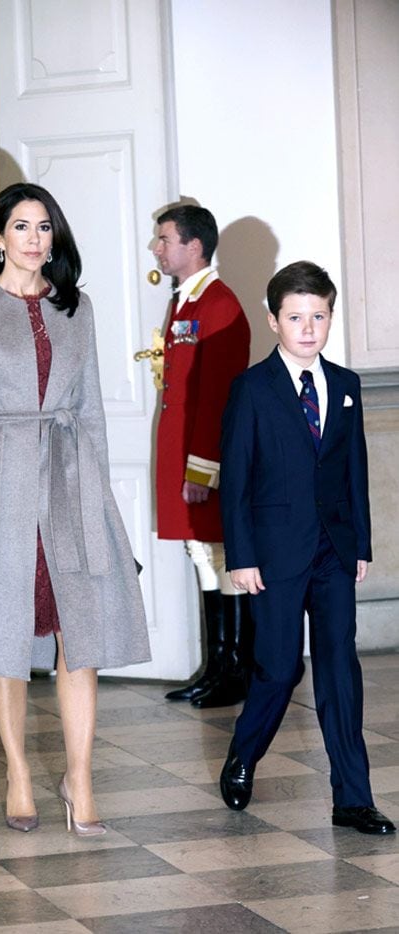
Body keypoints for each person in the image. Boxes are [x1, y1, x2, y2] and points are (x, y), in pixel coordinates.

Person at [0, 182, 151, 834]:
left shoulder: (75, 309)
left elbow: (89, 412)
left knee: (77, 636)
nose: (35, 238)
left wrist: (101, 499)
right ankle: (21, 774)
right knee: (5, 635)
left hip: (69, 479)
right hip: (0, 482)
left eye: (44, 227)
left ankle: (79, 780)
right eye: (21, 227)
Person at [218, 261, 395, 836]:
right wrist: (241, 557)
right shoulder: (251, 389)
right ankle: (245, 753)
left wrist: (360, 542)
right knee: (278, 667)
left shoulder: (345, 385)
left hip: (333, 550)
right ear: (274, 321)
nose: (309, 327)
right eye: (296, 317)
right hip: (271, 554)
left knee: (340, 667)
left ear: (330, 317)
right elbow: (238, 480)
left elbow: (354, 469)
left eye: (319, 315)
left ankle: (353, 796)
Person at [153, 205, 252, 709]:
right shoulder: (186, 301)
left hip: (204, 454)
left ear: (194, 245)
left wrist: (201, 468)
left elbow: (215, 395)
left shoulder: (219, 304)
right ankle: (217, 666)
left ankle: (236, 668)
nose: (156, 248)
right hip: (182, 447)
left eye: (164, 239)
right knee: (201, 555)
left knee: (218, 555)